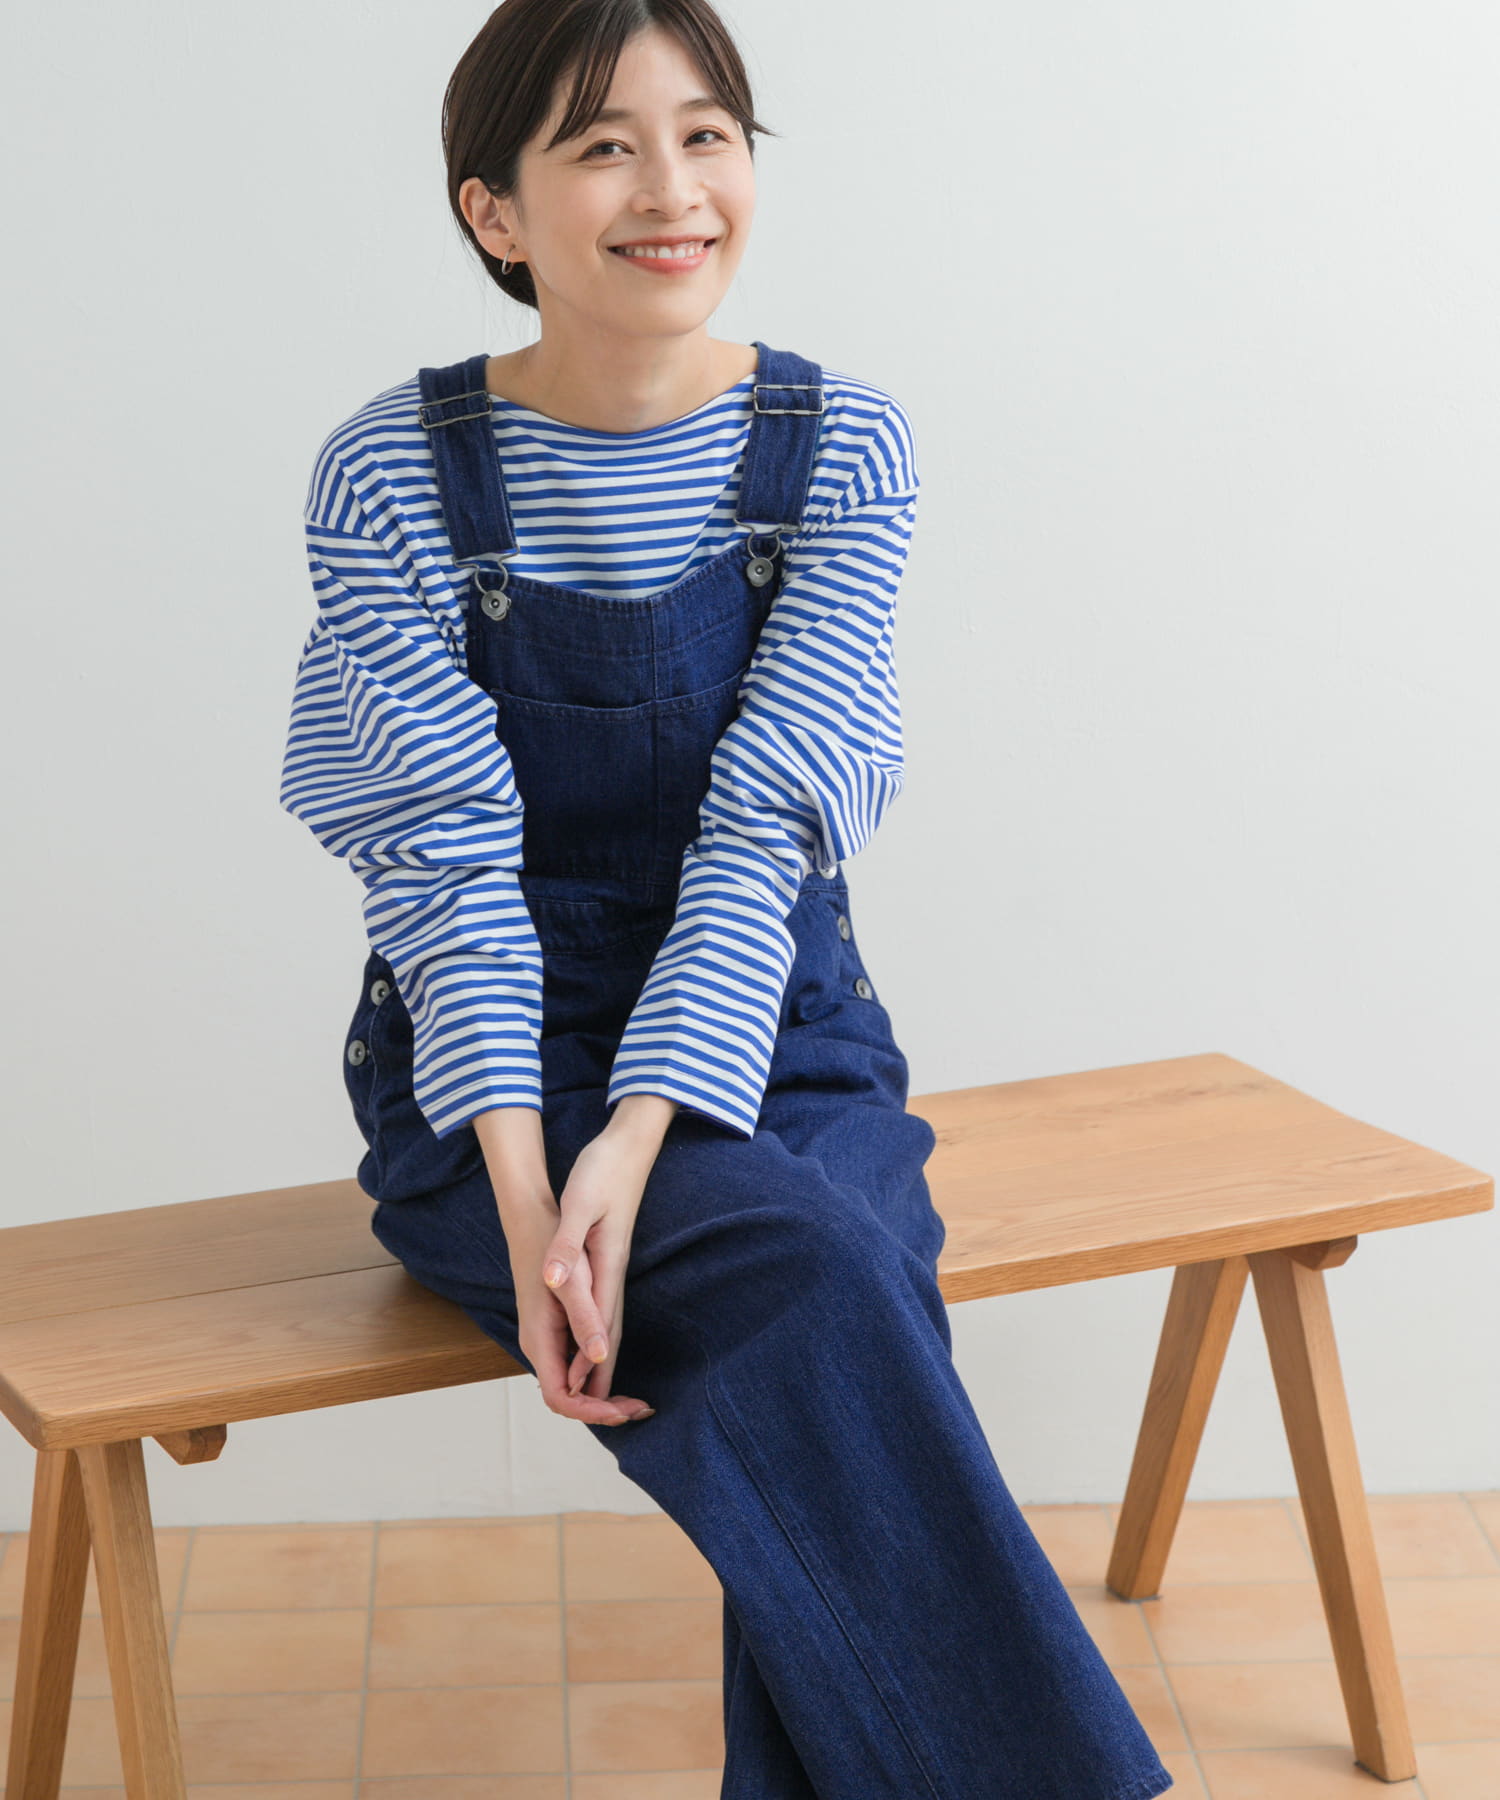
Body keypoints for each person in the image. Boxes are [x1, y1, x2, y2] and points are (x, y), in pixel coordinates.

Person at [279, 2, 1175, 1794]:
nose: (672, 189)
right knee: (832, 1282)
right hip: (492, 1073)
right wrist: (537, 1198)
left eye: (708, 135)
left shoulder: (844, 446)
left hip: (781, 1026)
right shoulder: (391, 473)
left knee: (829, 1288)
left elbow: (765, 837)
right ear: (494, 212)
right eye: (602, 147)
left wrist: (644, 1142)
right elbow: (443, 868)